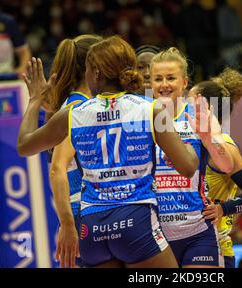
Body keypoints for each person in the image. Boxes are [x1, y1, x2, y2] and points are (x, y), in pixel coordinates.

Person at [17, 35, 200, 268]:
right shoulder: (151, 109)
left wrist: (34, 100)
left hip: (92, 228)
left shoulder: (74, 113)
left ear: (96, 73)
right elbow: (187, 167)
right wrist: (189, 140)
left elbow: (24, 146)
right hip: (136, 220)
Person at [150, 47, 234, 268]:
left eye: (171, 78)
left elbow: (227, 165)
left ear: (185, 81)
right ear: (150, 83)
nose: (164, 84)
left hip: (198, 232)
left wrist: (208, 138)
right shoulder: (141, 118)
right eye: (158, 79)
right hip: (155, 236)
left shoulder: (198, 115)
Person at [187, 68, 242, 268]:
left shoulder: (223, 145)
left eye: (190, 102)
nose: (184, 107)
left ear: (207, 109)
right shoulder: (186, 143)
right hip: (185, 244)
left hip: (215, 247)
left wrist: (223, 209)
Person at [46, 34, 102, 268]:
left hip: (82, 214)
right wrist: (68, 224)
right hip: (86, 214)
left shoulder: (71, 105)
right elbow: (56, 169)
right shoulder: (80, 109)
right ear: (96, 69)